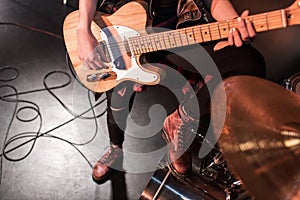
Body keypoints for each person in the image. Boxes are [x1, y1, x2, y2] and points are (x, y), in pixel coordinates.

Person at [76, 0, 266, 182]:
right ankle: (115, 149)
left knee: (250, 62)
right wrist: (83, 28)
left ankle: (179, 122)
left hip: (173, 36)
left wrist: (234, 23)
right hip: (122, 33)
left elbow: (214, 1)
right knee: (117, 101)